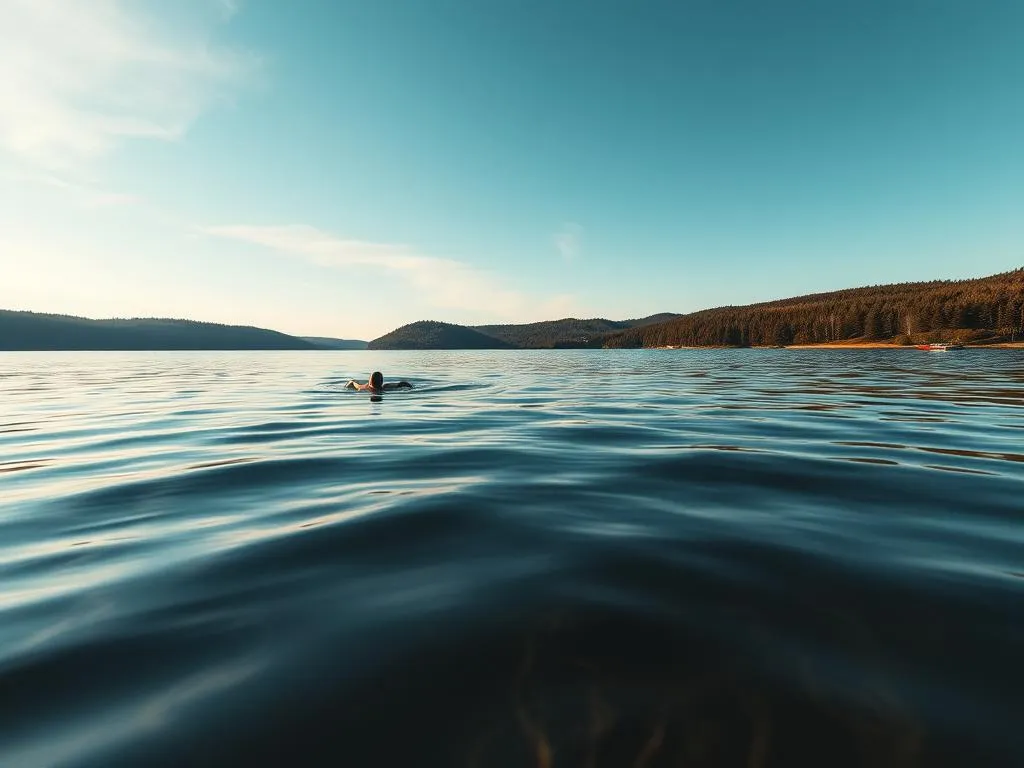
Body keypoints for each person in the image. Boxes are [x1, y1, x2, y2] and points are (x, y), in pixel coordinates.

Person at [345, 371, 412, 392]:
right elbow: (353, 383)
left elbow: (402, 384)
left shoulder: (385, 386)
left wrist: (408, 385)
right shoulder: (364, 388)